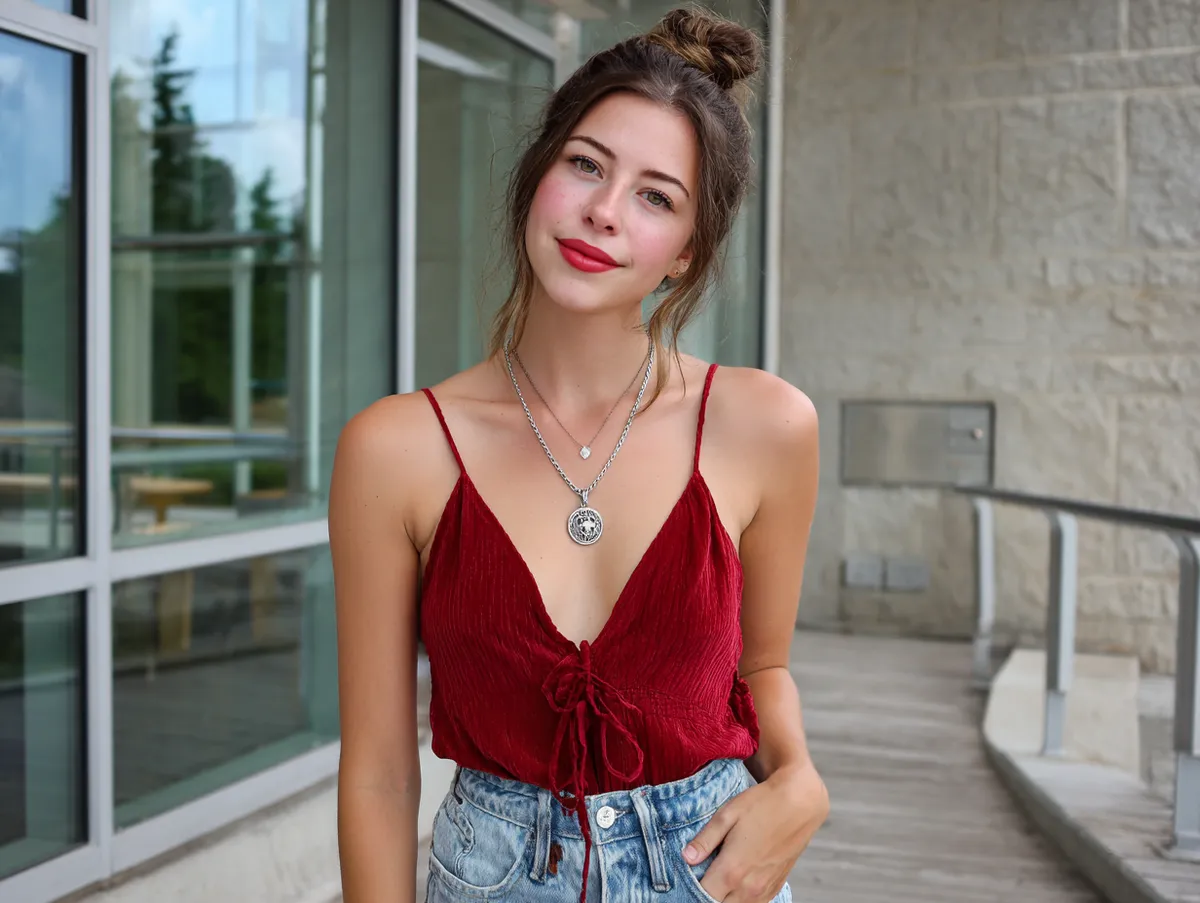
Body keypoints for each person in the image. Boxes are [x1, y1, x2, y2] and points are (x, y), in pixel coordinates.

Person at [330, 7, 827, 902]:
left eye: (655, 196)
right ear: (537, 175)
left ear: (685, 254)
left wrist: (799, 777)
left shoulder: (764, 425)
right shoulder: (396, 449)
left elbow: (764, 668)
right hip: (492, 872)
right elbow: (376, 767)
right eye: (586, 165)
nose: (603, 210)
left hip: (713, 869)